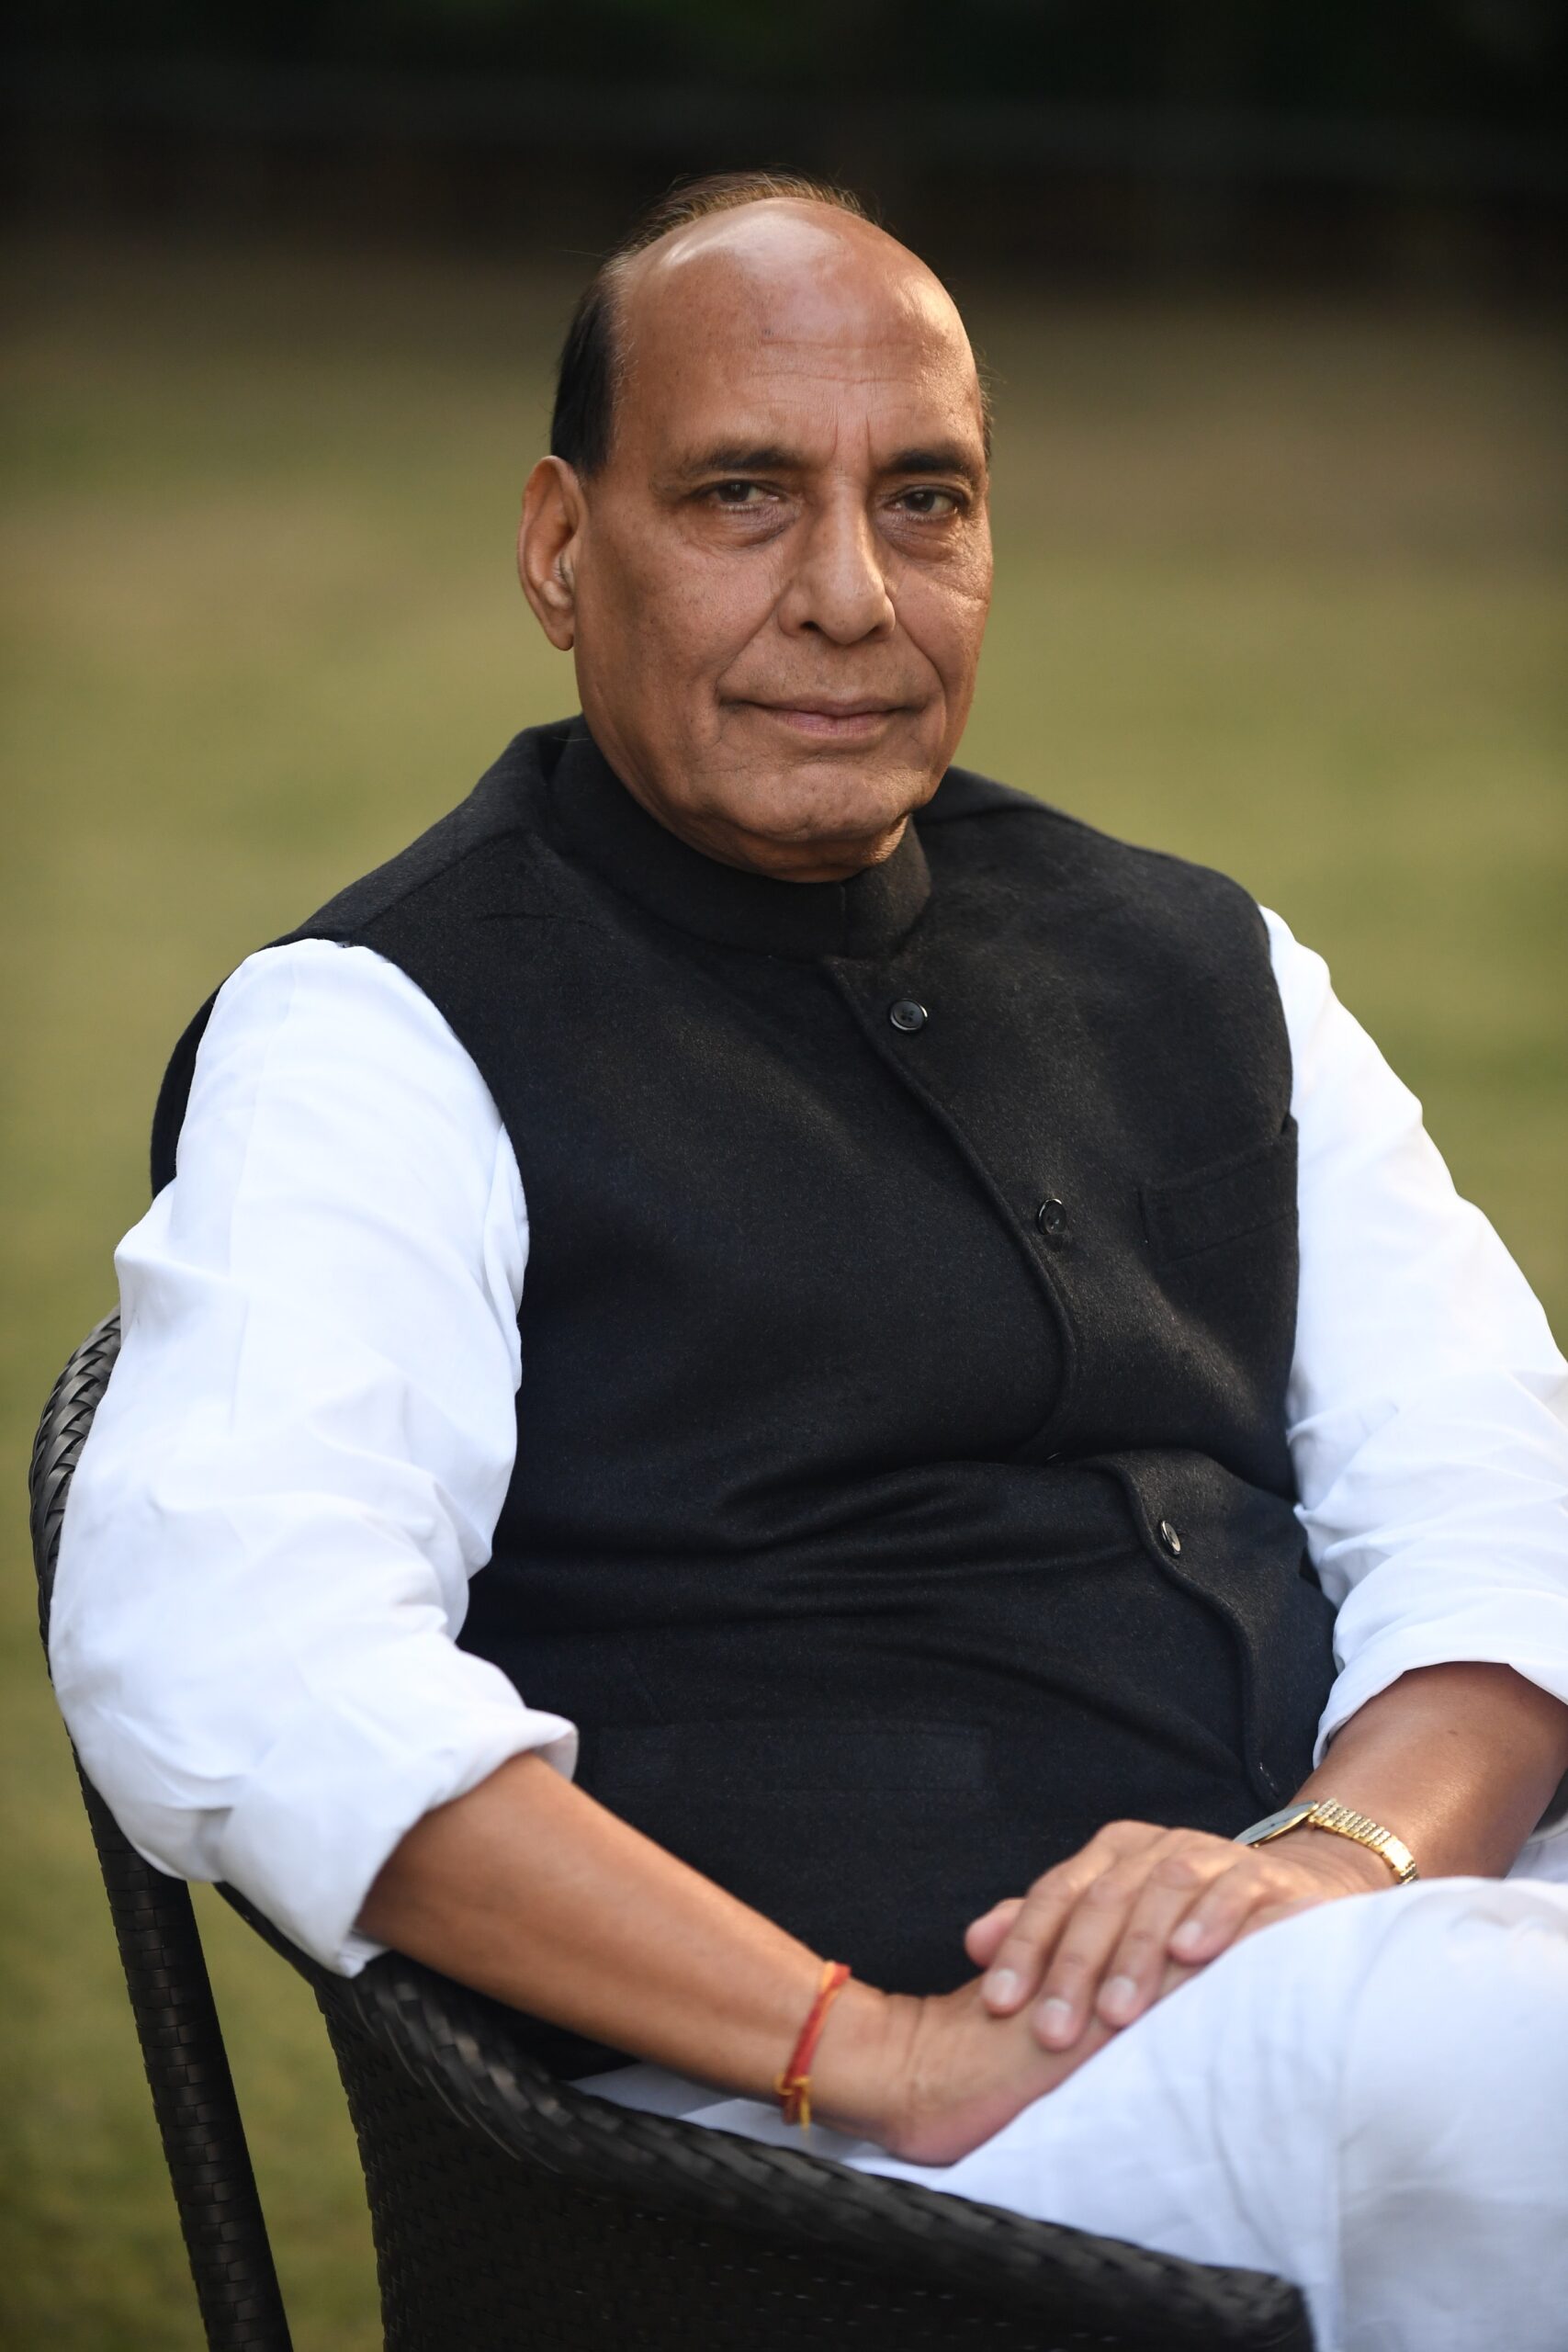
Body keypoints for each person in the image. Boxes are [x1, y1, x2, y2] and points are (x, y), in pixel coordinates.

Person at [50, 172, 1568, 2350]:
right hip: (820, 2147)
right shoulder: (376, 1031)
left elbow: (1491, 1491)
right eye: (740, 495)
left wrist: (1329, 1861)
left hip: (1369, 1944)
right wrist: (865, 2043)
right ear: (560, 549)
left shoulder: (1199, 956)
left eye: (921, 500)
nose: (848, 595)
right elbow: (236, 1654)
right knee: (1505, 2075)